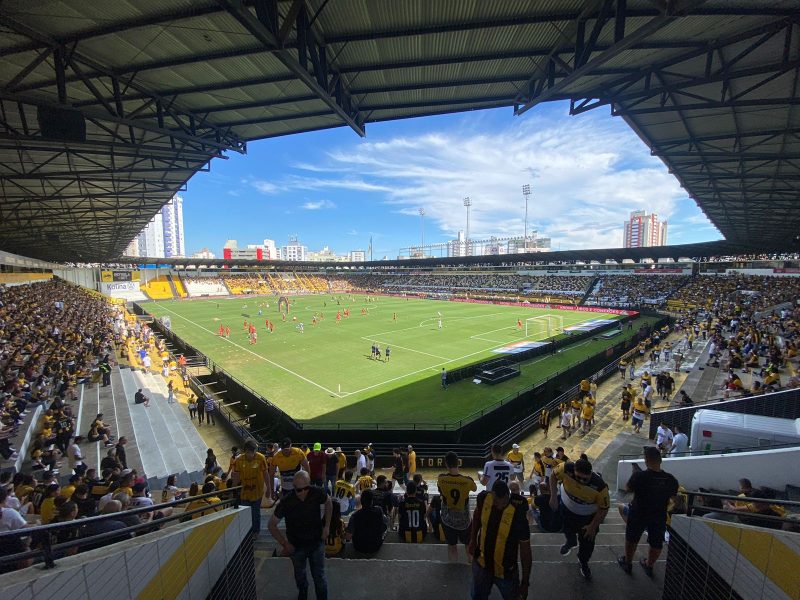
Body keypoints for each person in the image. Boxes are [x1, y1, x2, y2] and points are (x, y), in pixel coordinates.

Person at [269, 471, 332, 600]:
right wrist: (285, 543)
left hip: (316, 543)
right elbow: (271, 525)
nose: (303, 492)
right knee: (300, 576)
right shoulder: (286, 502)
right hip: (296, 546)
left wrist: (327, 526)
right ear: (293, 487)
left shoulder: (317, 492)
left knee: (319, 576)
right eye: (299, 490)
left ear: (310, 485)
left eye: (306, 488)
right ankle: (303, 594)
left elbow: (329, 502)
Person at [618, 446, 679, 577]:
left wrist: (634, 475)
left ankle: (628, 563)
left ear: (646, 460)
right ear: (660, 460)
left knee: (632, 538)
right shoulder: (671, 480)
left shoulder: (639, 476)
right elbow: (675, 499)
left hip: (639, 512)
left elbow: (627, 489)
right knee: (656, 541)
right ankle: (649, 565)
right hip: (658, 515)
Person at [468, 481, 532, 600]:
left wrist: (525, 582)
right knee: (477, 596)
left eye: (504, 503)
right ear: (492, 495)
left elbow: (525, 550)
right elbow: (477, 515)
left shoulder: (518, 514)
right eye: (497, 503)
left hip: (506, 571)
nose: (500, 506)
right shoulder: (483, 498)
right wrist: (473, 539)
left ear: (509, 496)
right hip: (482, 564)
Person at [549, 457, 610, 581]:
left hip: (587, 518)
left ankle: (583, 561)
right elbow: (553, 475)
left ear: (591, 474)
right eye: (578, 477)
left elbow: (604, 508)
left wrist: (593, 526)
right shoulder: (565, 468)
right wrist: (553, 496)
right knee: (567, 529)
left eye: (585, 479)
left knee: (587, 542)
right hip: (567, 510)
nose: (581, 481)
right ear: (574, 470)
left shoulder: (600, 486)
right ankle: (571, 542)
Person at [437, 451, 477, 562]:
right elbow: (475, 489)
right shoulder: (467, 481)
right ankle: (471, 568)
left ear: (446, 464)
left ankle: (454, 571)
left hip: (447, 519)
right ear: (458, 463)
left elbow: (440, 491)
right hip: (464, 520)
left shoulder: (441, 479)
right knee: (468, 546)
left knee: (452, 546)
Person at [231, 439, 270, 537]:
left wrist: (269, 488)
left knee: (255, 512)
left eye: (252, 452)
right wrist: (233, 489)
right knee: (246, 513)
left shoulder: (261, 458)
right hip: (245, 492)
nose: (250, 455)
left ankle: (256, 532)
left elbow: (266, 474)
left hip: (257, 491)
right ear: (245, 451)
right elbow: (236, 475)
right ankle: (247, 532)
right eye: (248, 452)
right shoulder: (239, 460)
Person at [345, 488, 387, 554]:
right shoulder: (379, 511)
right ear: (372, 501)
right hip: (376, 546)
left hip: (358, 546)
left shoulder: (355, 515)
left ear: (361, 501)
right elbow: (384, 527)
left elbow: (348, 536)